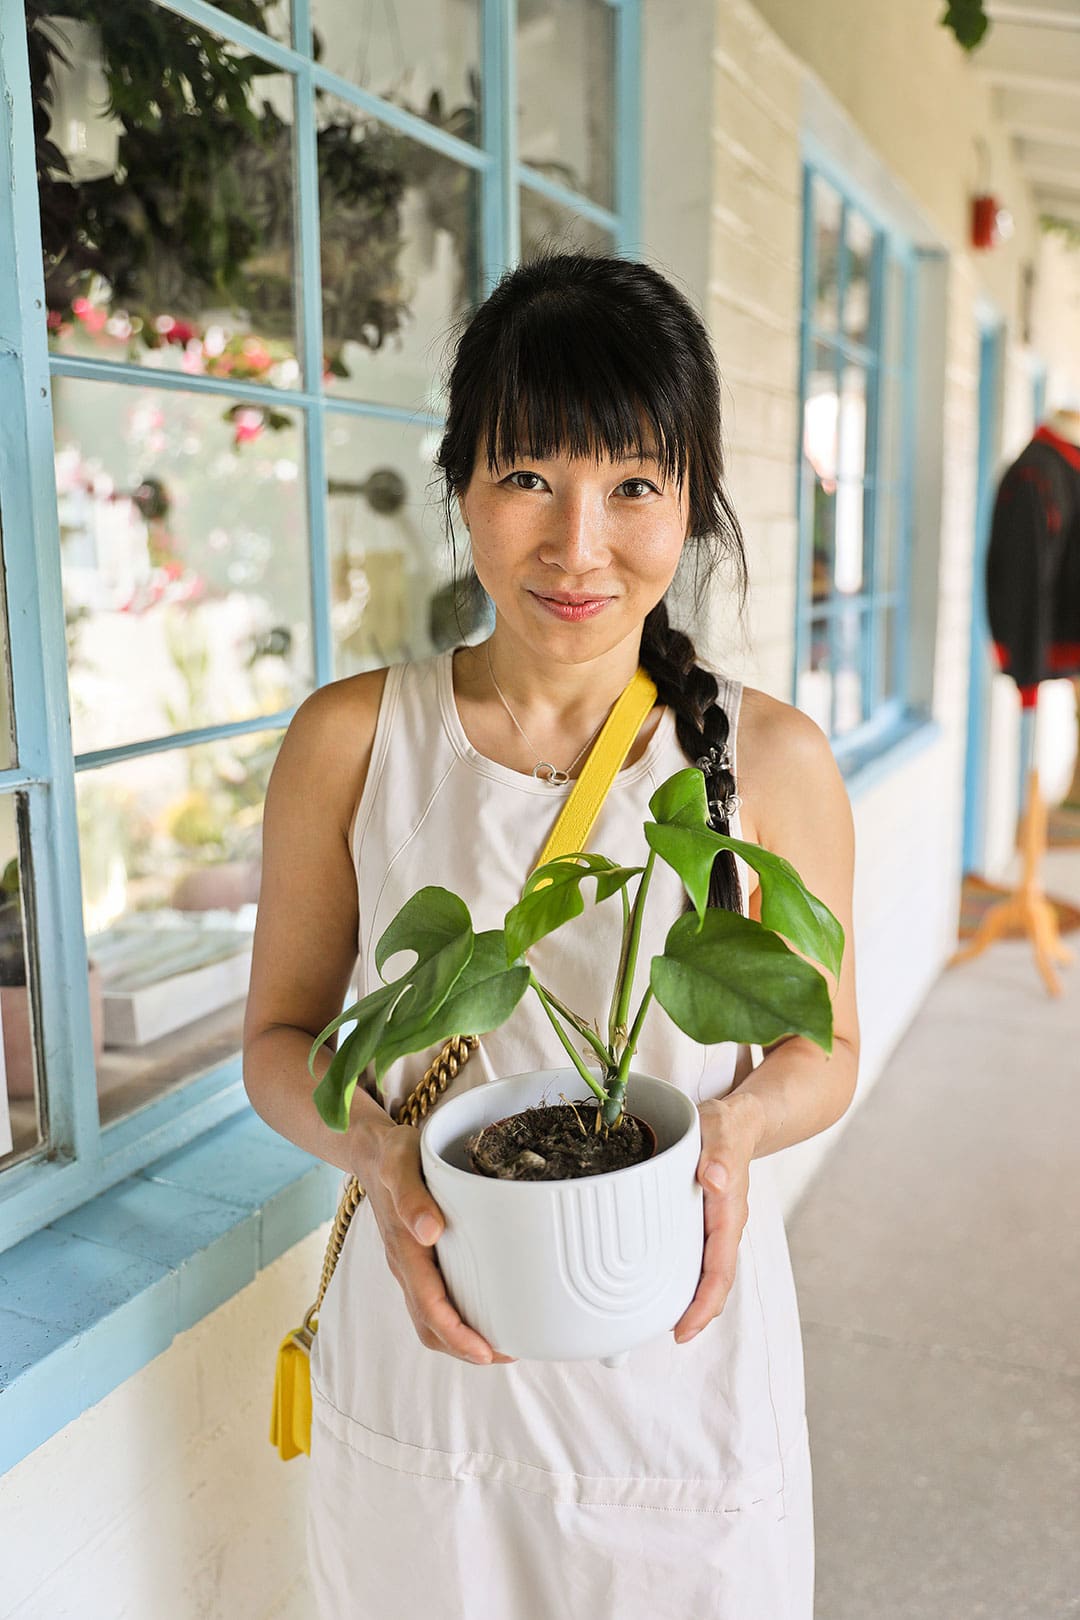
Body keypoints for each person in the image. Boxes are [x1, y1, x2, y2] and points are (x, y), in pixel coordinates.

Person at [242, 250, 859, 1619]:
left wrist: (738, 1134)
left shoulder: (770, 758)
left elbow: (826, 1046)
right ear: (462, 481)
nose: (580, 546)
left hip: (679, 1378)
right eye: (528, 476)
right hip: (432, 1365)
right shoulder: (353, 741)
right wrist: (375, 1152)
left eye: (633, 485)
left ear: (691, 502)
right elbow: (281, 1043)